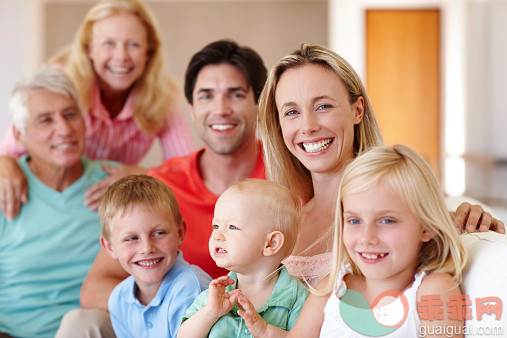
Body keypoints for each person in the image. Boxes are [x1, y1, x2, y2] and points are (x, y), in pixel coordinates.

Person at [257, 43, 504, 287]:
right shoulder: (281, 222)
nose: (308, 126)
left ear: (358, 110)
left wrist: (468, 219)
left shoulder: (405, 217)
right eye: (291, 112)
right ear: (278, 126)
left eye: (323, 106)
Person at [66, 39, 266, 335]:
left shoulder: (285, 180)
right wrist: (169, 309)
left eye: (235, 94)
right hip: (170, 325)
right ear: (192, 109)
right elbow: (95, 287)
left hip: (258, 323)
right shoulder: (163, 186)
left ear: (258, 103)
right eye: (206, 96)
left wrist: (213, 311)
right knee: (80, 323)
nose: (220, 109)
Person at [0, 0, 195, 220]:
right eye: (108, 43)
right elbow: (10, 148)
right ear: (89, 49)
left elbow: (187, 172)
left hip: (109, 208)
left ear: (149, 52)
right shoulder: (63, 83)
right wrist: (4, 164)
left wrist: (144, 174)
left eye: (133, 45)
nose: (121, 56)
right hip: (51, 197)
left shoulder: (164, 95)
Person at [288, 145, 467, 337]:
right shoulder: (332, 288)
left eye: (387, 221)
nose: (367, 238)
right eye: (354, 221)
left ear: (427, 227)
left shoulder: (433, 291)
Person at [0, 67, 114, 337]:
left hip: (93, 327)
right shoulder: (5, 186)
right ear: (18, 135)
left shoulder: (116, 181)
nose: (63, 129)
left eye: (70, 114)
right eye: (45, 120)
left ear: (85, 122)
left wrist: (147, 174)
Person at [178, 179, 309, 337]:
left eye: (232, 227)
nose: (217, 235)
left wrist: (265, 331)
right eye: (216, 226)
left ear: (271, 244)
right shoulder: (215, 294)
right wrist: (210, 313)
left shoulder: (297, 298)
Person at [99, 175, 210, 337]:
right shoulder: (118, 299)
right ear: (110, 247)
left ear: (180, 233)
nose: (147, 248)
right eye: (132, 238)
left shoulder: (190, 289)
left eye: (159, 233)